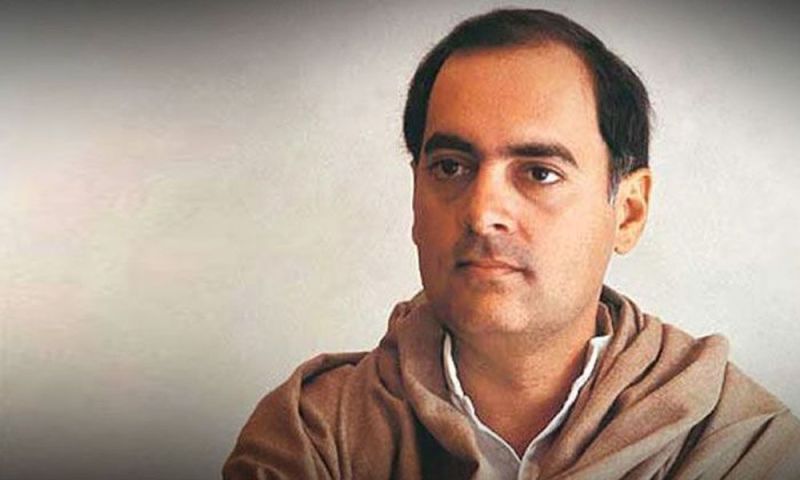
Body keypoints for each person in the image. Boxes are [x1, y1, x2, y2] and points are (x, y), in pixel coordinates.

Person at [223, 9, 800, 479]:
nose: (482, 213)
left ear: (628, 211)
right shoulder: (315, 435)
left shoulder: (742, 445)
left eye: (539, 173)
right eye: (450, 167)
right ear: (415, 200)